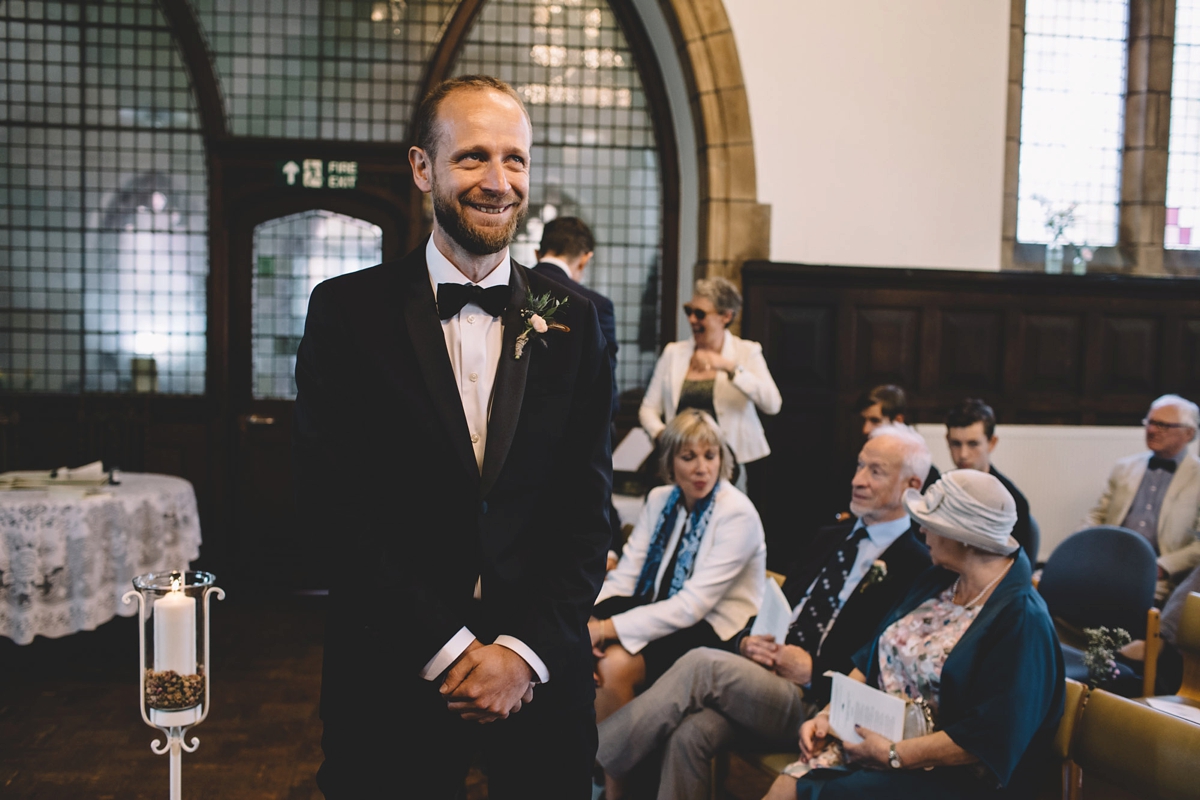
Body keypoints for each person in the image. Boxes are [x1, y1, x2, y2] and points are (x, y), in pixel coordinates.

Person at [292, 75, 613, 799]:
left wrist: (522, 654)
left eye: (516, 160)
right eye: (472, 158)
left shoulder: (578, 320)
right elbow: (332, 508)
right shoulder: (347, 312)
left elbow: (586, 513)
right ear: (422, 168)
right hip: (389, 670)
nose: (498, 182)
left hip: (538, 681)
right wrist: (451, 650)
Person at [596, 424, 933, 800]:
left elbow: (885, 660)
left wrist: (813, 671)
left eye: (876, 471)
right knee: (691, 733)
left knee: (702, 663)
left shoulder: (917, 566)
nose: (858, 480)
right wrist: (746, 643)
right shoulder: (831, 536)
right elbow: (776, 605)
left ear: (912, 486)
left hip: (821, 701)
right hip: (763, 681)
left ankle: (591, 759)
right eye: (859, 466)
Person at [764, 470, 1064, 800]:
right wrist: (828, 716)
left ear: (963, 535)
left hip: (952, 777)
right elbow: (873, 654)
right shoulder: (939, 580)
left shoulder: (1021, 618)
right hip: (881, 745)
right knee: (787, 785)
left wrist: (894, 754)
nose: (921, 531)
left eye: (930, 523)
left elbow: (990, 736)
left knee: (820, 792)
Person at [590, 409, 766, 723]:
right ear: (670, 461)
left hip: (717, 629)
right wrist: (587, 620)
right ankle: (582, 759)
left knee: (612, 665)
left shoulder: (737, 512)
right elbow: (627, 577)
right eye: (688, 457)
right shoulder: (660, 498)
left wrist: (603, 630)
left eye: (710, 456)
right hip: (660, 608)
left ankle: (613, 770)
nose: (702, 469)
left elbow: (691, 606)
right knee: (573, 645)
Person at [639, 277, 781, 489]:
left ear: (726, 316)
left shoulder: (746, 352)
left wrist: (729, 367)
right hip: (679, 464)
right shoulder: (673, 353)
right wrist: (662, 435)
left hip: (729, 466)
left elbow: (772, 404)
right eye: (689, 311)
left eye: (700, 314)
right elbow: (648, 408)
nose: (692, 319)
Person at [1081, 394, 1200, 602]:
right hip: (1110, 561)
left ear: (1188, 433)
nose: (1152, 430)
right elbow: (1098, 514)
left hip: (1161, 575)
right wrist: (1082, 545)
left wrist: (1162, 567)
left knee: (1122, 597)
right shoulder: (1125, 468)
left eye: (1163, 425)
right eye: (1150, 422)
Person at [531, 216, 619, 417]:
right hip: (570, 427)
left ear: (537, 254)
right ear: (585, 259)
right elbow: (604, 383)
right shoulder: (597, 305)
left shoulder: (510, 290)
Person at [944, 398, 1034, 557]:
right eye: (956, 444)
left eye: (973, 444)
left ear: (992, 443)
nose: (963, 455)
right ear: (947, 441)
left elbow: (1015, 564)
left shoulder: (1013, 500)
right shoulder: (941, 490)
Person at [857, 384, 939, 490]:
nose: (865, 429)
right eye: (863, 420)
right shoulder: (855, 464)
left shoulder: (924, 472)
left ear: (898, 420)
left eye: (875, 421)